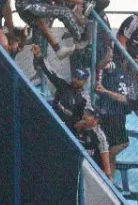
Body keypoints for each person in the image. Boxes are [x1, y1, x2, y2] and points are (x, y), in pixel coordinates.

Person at [32, 45, 112, 177]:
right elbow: (51, 72)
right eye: (75, 76)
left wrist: (83, 123)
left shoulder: (84, 100)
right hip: (52, 127)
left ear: (85, 81)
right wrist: (40, 56)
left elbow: (90, 117)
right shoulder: (63, 85)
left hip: (68, 134)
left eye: (80, 78)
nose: (76, 80)